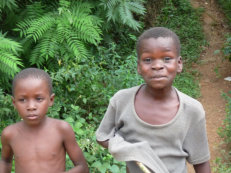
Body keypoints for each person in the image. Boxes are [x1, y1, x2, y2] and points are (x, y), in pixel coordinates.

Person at [96, 27, 211, 173]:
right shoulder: (121, 101)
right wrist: (132, 150)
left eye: (167, 58)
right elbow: (102, 136)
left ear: (179, 64)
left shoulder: (192, 109)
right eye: (148, 60)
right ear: (139, 66)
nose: (157, 66)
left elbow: (201, 162)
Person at [0, 68, 89, 173]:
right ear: (14, 103)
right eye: (22, 100)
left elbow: (82, 167)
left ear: (51, 100)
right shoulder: (9, 134)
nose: (31, 106)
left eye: (38, 99)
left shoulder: (61, 129)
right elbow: (5, 161)